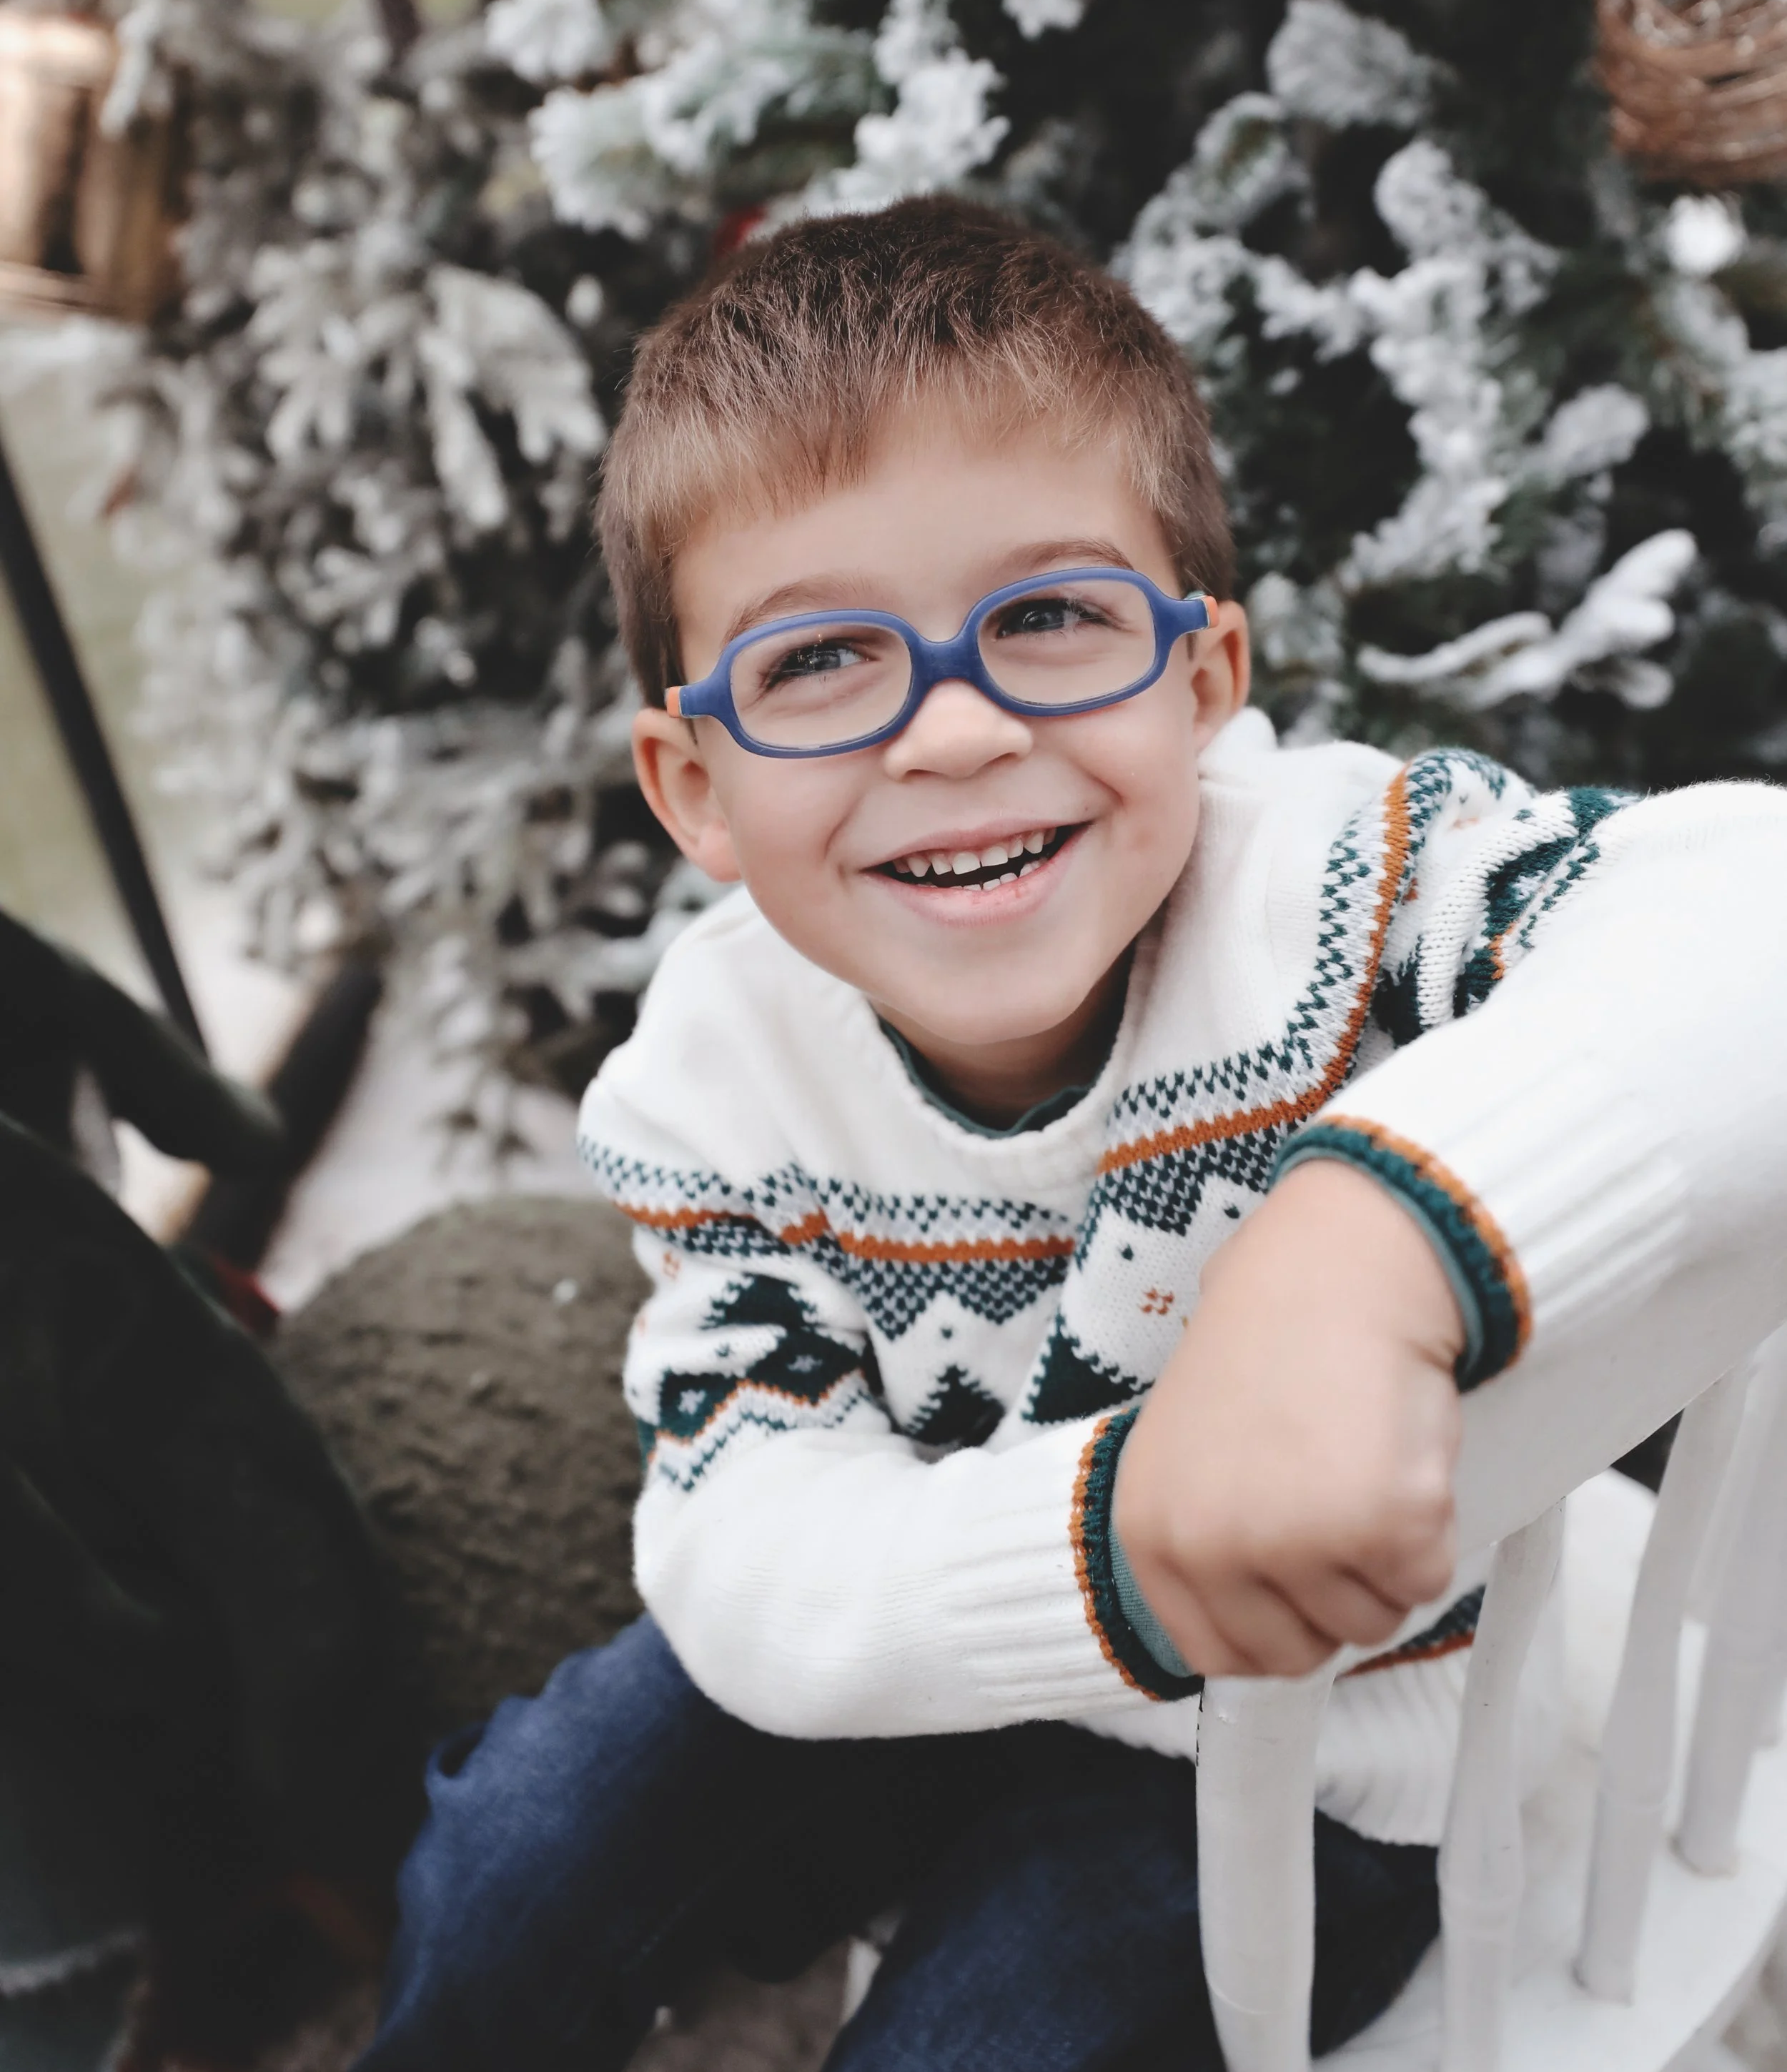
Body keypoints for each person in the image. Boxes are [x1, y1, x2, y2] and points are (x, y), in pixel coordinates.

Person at [357, 197, 1787, 2071]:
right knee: (523, 1832)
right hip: (948, 1643)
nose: (948, 734)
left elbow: (1745, 906)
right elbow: (743, 1540)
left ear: (1202, 679)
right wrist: (1108, 1541)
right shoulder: (716, 1074)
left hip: (1315, 1755)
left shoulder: (1335, 886)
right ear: (692, 786)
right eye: (815, 663)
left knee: (993, 2022)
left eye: (1043, 617)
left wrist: (1356, 1248)